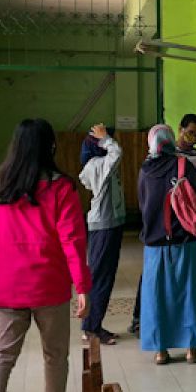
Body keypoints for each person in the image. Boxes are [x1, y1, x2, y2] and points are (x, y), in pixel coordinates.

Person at [0, 118, 91, 392]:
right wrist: (82, 285)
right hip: (48, 287)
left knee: (2, 356)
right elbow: (72, 239)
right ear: (49, 147)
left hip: (8, 287)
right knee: (55, 354)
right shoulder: (60, 188)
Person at [130, 112, 196, 334]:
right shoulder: (185, 165)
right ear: (179, 130)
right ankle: (190, 348)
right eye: (190, 132)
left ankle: (160, 348)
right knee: (187, 291)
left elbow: (142, 202)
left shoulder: (146, 169)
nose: (192, 138)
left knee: (156, 292)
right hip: (184, 236)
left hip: (155, 238)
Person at [78, 123, 125, 345]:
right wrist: (105, 139)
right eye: (106, 140)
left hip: (109, 225)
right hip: (104, 227)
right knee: (101, 278)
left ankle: (94, 325)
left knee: (104, 276)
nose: (111, 141)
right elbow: (116, 153)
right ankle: (91, 328)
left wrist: (104, 139)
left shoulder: (97, 164)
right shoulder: (98, 164)